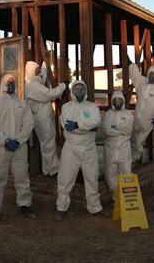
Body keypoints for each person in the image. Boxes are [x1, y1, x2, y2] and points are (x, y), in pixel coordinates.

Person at [0, 74, 36, 226]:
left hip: (19, 148)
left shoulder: (22, 104)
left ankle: (25, 205)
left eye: (13, 82)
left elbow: (28, 124)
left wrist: (18, 140)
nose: (12, 85)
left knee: (22, 177)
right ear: (3, 84)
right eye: (9, 82)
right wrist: (5, 140)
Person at [55, 80, 109, 221]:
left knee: (92, 178)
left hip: (89, 148)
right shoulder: (66, 107)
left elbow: (96, 122)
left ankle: (95, 207)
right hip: (71, 148)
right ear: (72, 91)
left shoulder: (92, 107)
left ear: (86, 91)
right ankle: (61, 207)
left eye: (82, 89)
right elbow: (68, 126)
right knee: (65, 178)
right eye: (76, 89)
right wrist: (87, 127)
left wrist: (78, 125)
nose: (79, 91)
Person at [24, 61, 67, 176]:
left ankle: (47, 168)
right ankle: (53, 169)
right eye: (36, 71)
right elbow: (49, 94)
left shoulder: (32, 81)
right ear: (31, 72)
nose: (38, 74)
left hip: (41, 116)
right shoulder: (31, 86)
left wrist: (45, 62)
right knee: (47, 143)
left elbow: (41, 77)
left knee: (47, 142)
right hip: (41, 118)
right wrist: (62, 86)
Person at [129, 61, 154, 164]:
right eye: (150, 74)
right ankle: (129, 161)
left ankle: (134, 160)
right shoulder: (142, 82)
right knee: (132, 140)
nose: (151, 76)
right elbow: (135, 74)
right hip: (137, 119)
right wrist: (132, 64)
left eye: (153, 74)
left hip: (148, 121)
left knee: (138, 141)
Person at [101, 90, 134, 206]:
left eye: (120, 100)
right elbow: (106, 130)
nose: (118, 102)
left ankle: (128, 199)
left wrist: (115, 127)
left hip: (124, 148)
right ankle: (116, 199)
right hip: (110, 148)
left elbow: (129, 129)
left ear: (123, 101)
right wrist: (120, 130)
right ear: (112, 101)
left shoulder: (128, 114)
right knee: (111, 174)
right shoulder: (108, 114)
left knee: (126, 173)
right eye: (115, 100)